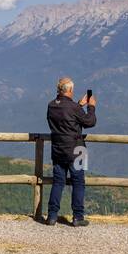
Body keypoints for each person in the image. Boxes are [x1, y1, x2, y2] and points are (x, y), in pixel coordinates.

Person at [44, 77, 96, 227]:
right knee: (78, 183)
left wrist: (79, 105)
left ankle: (52, 216)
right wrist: (91, 107)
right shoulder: (74, 108)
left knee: (58, 182)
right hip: (77, 150)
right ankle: (77, 217)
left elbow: (66, 117)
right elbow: (89, 122)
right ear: (70, 90)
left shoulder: (51, 106)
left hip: (58, 149)